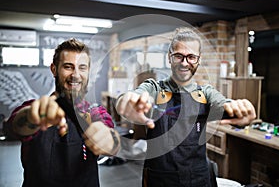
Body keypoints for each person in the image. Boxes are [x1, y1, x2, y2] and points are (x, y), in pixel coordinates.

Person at [116, 27, 256, 187]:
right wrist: (127, 101)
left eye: (191, 57)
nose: (184, 63)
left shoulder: (206, 93)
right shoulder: (154, 88)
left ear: (198, 59)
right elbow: (134, 95)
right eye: (178, 56)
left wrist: (239, 110)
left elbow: (223, 103)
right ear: (170, 57)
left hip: (198, 179)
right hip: (161, 179)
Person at [7, 38, 120, 187]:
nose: (76, 74)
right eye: (68, 67)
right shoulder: (33, 108)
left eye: (82, 67)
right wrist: (32, 116)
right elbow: (14, 127)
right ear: (54, 69)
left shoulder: (94, 112)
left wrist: (109, 139)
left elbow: (110, 137)